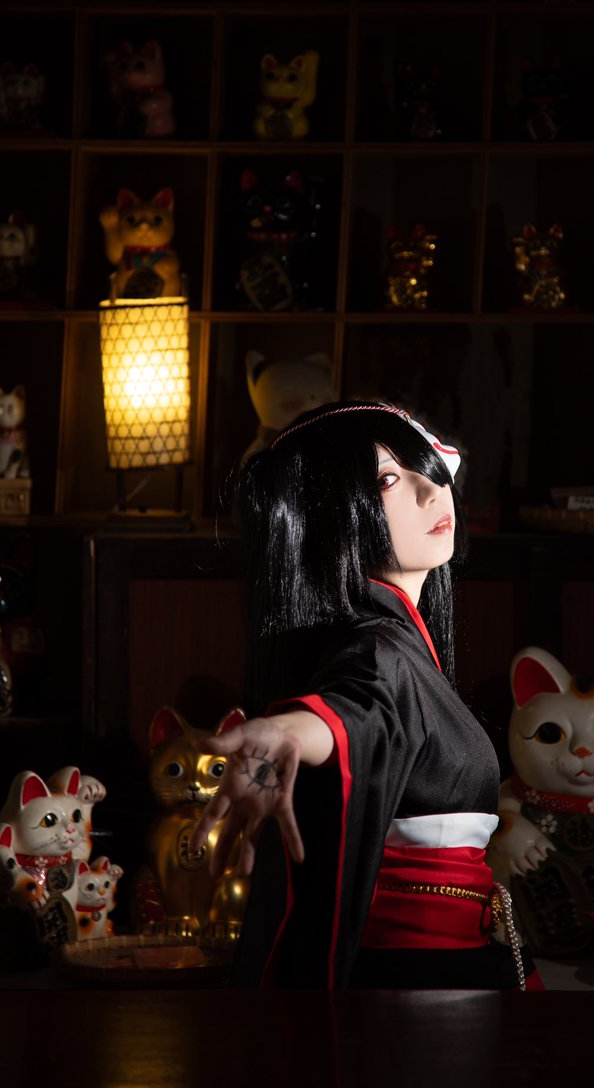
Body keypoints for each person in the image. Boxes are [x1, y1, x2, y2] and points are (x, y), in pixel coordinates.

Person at [191, 401, 543, 990]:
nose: (432, 489)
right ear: (332, 515)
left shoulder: (400, 644)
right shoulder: (379, 650)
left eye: (424, 466)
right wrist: (288, 733)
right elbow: (355, 707)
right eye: (388, 480)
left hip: (444, 969)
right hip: (420, 981)